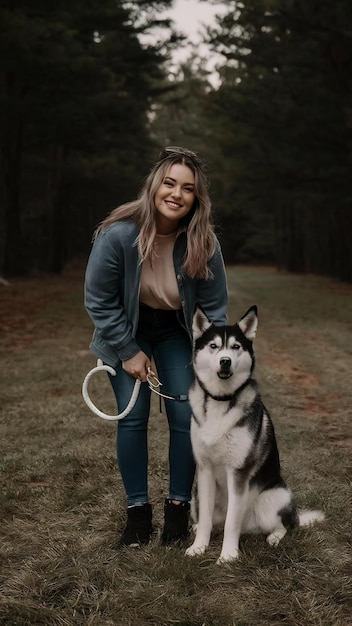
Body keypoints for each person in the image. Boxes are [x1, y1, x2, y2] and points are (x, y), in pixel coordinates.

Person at [84, 146, 228, 547]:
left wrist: (209, 356)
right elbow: (98, 300)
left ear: (196, 198)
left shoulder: (203, 241)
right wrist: (128, 350)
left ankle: (178, 510)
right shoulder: (119, 235)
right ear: (154, 185)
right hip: (126, 329)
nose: (176, 194)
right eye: (170, 183)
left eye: (187, 188)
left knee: (185, 416)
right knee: (133, 417)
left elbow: (215, 308)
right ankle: (137, 514)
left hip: (177, 330)